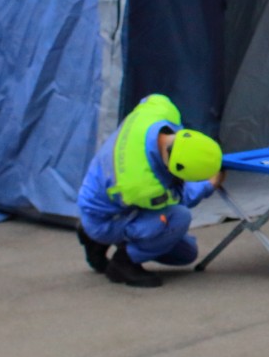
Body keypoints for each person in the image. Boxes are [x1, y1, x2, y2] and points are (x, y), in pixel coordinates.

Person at [76, 94, 224, 288]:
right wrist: (210, 184)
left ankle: (97, 238)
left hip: (100, 191)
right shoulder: (143, 185)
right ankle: (123, 262)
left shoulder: (159, 109)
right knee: (178, 217)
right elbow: (182, 198)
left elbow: (152, 98)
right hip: (103, 218)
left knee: (186, 254)